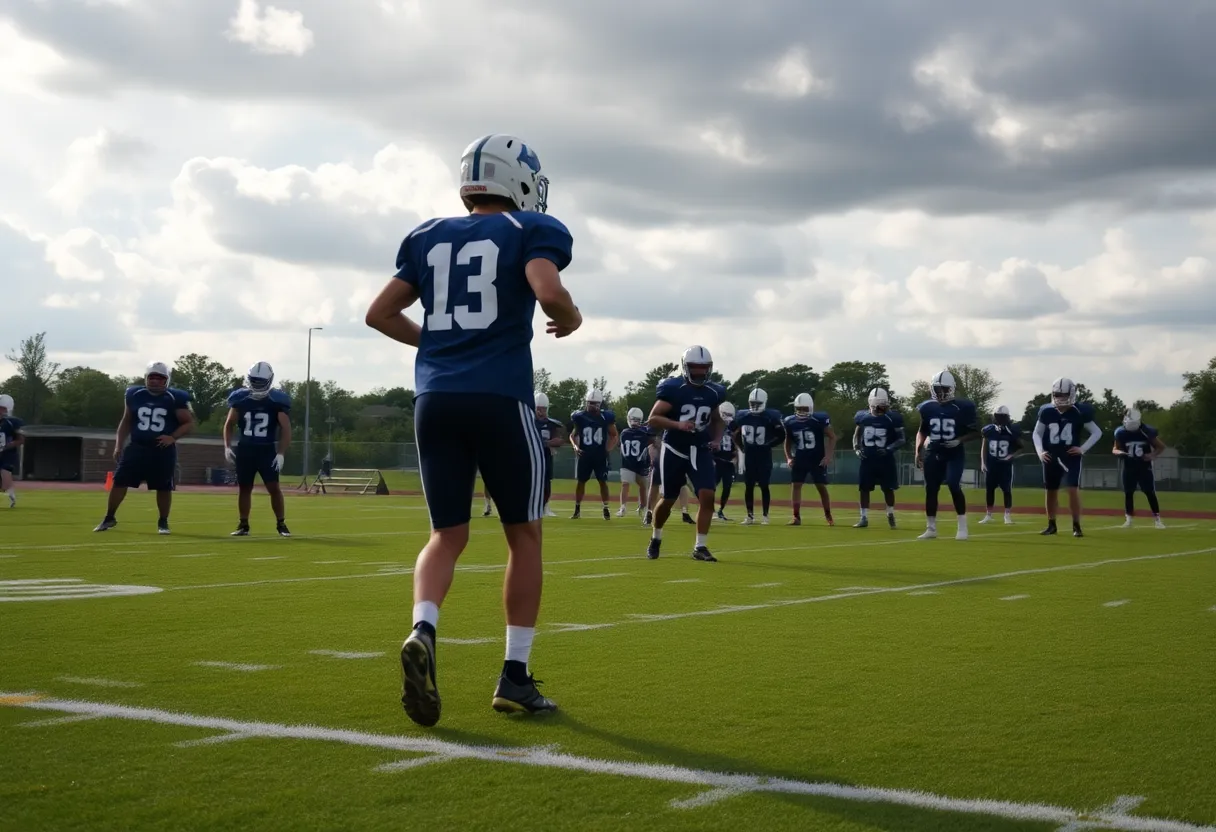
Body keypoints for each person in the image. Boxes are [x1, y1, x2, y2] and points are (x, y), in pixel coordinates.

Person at [364, 133, 582, 726]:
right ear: (518, 179)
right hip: (500, 397)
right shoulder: (530, 229)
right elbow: (548, 290)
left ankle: (424, 626)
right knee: (525, 536)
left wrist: (439, 342)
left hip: (434, 398)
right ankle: (515, 676)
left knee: (446, 535)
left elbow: (379, 314)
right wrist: (570, 317)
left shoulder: (427, 234)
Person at [645, 346, 726, 561]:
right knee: (668, 499)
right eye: (695, 368)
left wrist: (717, 439)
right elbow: (653, 419)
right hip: (674, 448)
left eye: (703, 368)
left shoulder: (714, 391)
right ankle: (656, 537)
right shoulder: (674, 388)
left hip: (700, 448)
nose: (699, 372)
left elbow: (718, 419)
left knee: (707, 496)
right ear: (685, 367)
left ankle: (700, 546)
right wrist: (676, 424)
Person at [94, 361, 194, 534]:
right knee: (119, 481)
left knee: (164, 486)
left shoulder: (175, 397)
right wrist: (118, 445)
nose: (155, 381)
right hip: (137, 446)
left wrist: (172, 437)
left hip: (162, 449)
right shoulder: (134, 394)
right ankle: (109, 517)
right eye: (151, 377)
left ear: (166, 380)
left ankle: (163, 522)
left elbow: (188, 423)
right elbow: (126, 421)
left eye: (159, 378)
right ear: (146, 377)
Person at [222, 361, 293, 537]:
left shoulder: (276, 401)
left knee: (274, 487)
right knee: (244, 488)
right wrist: (227, 446)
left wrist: (281, 453)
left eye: (261, 381)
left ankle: (281, 524)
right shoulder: (240, 399)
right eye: (255, 381)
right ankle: (243, 525)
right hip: (245, 449)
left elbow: (286, 429)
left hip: (266, 449)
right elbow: (229, 424)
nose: (258, 385)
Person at [914, 369, 980, 541]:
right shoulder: (927, 407)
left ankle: (962, 527)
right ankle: (931, 528)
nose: (940, 392)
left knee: (953, 484)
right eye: (937, 389)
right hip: (933, 451)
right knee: (931, 489)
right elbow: (922, 431)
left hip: (954, 452)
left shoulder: (963, 407)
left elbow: (975, 432)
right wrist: (918, 449)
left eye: (944, 388)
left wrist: (959, 440)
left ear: (951, 388)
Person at [1032, 377, 1102, 537]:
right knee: (1050, 491)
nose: (1061, 398)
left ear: (1071, 394)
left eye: (1064, 395)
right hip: (1051, 455)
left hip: (1070, 456)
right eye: (1058, 394)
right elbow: (1037, 433)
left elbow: (1097, 432)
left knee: (1072, 489)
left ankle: (1076, 525)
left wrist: (1082, 449)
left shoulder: (1079, 411)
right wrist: (1040, 452)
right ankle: (1051, 524)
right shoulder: (1046, 410)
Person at [733, 388, 785, 524]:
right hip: (750, 454)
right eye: (753, 403)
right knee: (749, 485)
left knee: (764, 485)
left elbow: (781, 435)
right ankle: (749, 515)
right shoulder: (743, 416)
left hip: (764, 455)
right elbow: (735, 433)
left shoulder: (770, 416)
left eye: (758, 403)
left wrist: (768, 445)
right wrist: (741, 447)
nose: (755, 406)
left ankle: (765, 515)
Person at [853, 388, 904, 529]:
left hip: (885, 459)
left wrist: (888, 449)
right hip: (868, 459)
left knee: (888, 489)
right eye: (879, 405)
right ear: (871, 404)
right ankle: (863, 517)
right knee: (864, 489)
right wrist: (857, 449)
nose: (882, 408)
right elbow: (856, 435)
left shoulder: (892, 418)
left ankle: (890, 514)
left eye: (884, 405)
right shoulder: (862, 417)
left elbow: (901, 439)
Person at [783, 393, 836, 526]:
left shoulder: (818, 420)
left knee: (821, 486)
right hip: (800, 457)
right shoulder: (790, 421)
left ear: (811, 408)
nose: (802, 411)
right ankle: (796, 517)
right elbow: (787, 441)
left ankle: (828, 514)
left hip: (816, 458)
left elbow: (832, 436)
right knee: (796, 485)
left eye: (805, 409)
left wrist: (828, 456)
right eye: (799, 408)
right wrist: (789, 457)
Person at [1112, 408, 1167, 529]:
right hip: (1129, 466)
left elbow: (1161, 446)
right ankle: (1129, 519)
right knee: (1128, 493)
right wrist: (1120, 452)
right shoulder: (1120, 433)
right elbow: (1114, 449)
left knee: (1149, 493)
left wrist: (1152, 455)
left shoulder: (1146, 432)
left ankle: (1157, 520)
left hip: (1143, 467)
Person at [569, 389, 618, 519]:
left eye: (595, 403)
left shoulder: (606, 417)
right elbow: (573, 435)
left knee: (603, 481)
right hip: (584, 454)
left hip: (599, 455)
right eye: (590, 402)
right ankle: (577, 508)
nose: (592, 405)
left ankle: (606, 508)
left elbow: (614, 436)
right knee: (581, 481)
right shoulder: (579, 417)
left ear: (600, 404)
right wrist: (575, 446)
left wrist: (607, 449)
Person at [979, 405, 1022, 525]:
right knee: (989, 490)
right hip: (991, 464)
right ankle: (988, 515)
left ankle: (1007, 515)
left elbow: (1020, 447)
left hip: (1005, 466)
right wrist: (983, 462)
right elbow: (984, 447)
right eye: (998, 416)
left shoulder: (1011, 431)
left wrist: (1011, 456)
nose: (999, 419)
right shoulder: (988, 430)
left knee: (1006, 490)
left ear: (1007, 417)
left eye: (1002, 417)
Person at [617, 407, 653, 517]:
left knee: (642, 486)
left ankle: (643, 506)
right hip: (630, 462)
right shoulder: (627, 432)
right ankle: (623, 507)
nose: (635, 422)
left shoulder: (640, 432)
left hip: (640, 463)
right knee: (625, 484)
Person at [534, 392, 564, 517]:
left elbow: (559, 440)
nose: (541, 412)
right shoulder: (529, 421)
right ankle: (533, 507)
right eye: (539, 409)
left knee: (546, 482)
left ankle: (545, 506)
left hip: (546, 457)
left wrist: (544, 443)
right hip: (532, 457)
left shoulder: (552, 424)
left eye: (544, 409)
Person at [713, 401, 739, 521]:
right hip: (717, 460)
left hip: (728, 462)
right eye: (725, 414)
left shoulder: (734, 426)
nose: (727, 417)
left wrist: (736, 457)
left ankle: (721, 510)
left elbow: (737, 444)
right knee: (711, 486)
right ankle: (710, 510)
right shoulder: (714, 425)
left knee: (727, 487)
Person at [0, 394, 24, 508]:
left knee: (5, 474)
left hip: (8, 453)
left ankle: (11, 495)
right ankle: (10, 493)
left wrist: (7, 445)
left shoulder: (12, 422)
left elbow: (21, 440)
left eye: (2, 408)